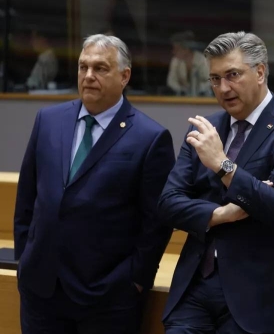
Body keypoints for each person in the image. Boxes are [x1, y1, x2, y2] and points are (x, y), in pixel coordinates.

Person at [159, 31, 274, 334]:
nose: (223, 88)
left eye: (233, 75)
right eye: (215, 79)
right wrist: (220, 214)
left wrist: (223, 166)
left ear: (260, 72)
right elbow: (168, 204)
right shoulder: (206, 129)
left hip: (259, 294)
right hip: (198, 285)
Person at [14, 34, 175, 334]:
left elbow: (156, 222)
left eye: (100, 68)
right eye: (83, 67)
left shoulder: (150, 138)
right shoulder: (48, 120)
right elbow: (28, 196)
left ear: (124, 76)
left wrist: (135, 280)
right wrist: (25, 258)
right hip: (40, 289)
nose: (88, 76)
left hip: (107, 297)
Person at [167, 31, 211, 97]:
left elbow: (211, 80)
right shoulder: (175, 61)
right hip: (182, 100)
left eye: (176, 49)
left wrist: (199, 89)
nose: (173, 52)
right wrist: (181, 90)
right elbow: (171, 81)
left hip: (203, 100)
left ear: (186, 49)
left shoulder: (202, 60)